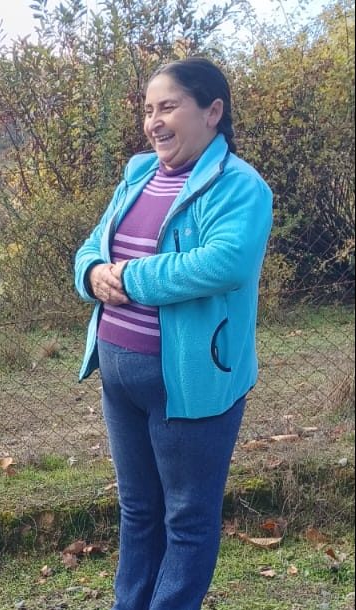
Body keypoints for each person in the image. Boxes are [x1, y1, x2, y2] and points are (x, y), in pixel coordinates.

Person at [74, 57, 273, 610]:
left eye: (168, 107)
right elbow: (93, 247)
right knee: (138, 511)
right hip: (121, 379)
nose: (154, 121)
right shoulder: (137, 176)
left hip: (190, 384)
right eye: (148, 109)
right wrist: (93, 274)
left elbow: (224, 263)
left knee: (186, 518)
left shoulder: (239, 186)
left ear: (213, 111)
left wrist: (130, 277)